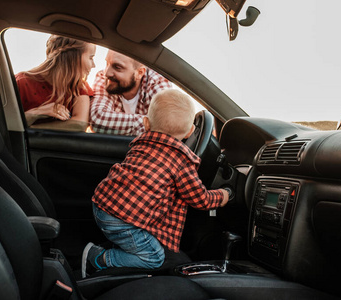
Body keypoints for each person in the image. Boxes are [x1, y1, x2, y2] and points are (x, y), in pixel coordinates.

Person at [82, 89, 230, 277]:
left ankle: (123, 248)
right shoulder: (181, 162)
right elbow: (200, 199)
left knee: (137, 238)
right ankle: (97, 258)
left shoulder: (140, 145)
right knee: (153, 258)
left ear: (146, 123)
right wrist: (223, 195)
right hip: (122, 222)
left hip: (102, 206)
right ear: (191, 131)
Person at [16, 35, 96, 130]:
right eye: (91, 58)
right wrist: (38, 112)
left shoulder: (79, 86)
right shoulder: (20, 82)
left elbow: (80, 124)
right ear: (73, 58)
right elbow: (7, 123)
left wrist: (32, 129)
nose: (93, 65)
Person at [90, 50, 172, 135]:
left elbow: (167, 124)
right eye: (107, 63)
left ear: (139, 73)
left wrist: (158, 125)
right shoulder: (103, 78)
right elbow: (97, 119)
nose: (107, 73)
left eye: (117, 67)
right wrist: (150, 123)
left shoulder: (157, 82)